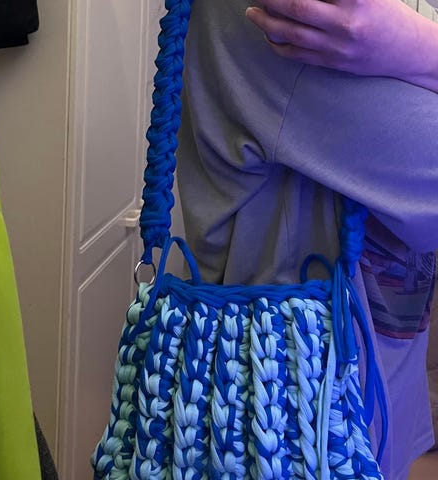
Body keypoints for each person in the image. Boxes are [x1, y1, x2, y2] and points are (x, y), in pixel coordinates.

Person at [175, 0, 438, 478]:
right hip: (297, 424)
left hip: (371, 396)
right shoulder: (288, 16)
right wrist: (423, 49)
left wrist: (415, 44)